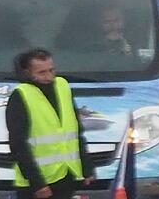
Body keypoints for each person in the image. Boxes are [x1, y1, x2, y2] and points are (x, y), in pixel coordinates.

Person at [6, 49, 95, 199]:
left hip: (65, 175)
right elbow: (18, 145)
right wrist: (37, 183)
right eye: (41, 72)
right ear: (27, 72)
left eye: (51, 70)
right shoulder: (21, 95)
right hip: (37, 183)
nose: (49, 76)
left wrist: (87, 167)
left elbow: (76, 131)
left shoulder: (62, 86)